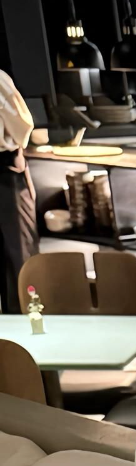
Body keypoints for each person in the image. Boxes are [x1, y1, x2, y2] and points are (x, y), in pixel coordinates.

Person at [0, 68, 37, 314]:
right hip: (6, 169)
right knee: (19, 255)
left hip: (6, 170)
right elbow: (22, 128)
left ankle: (24, 321)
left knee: (18, 256)